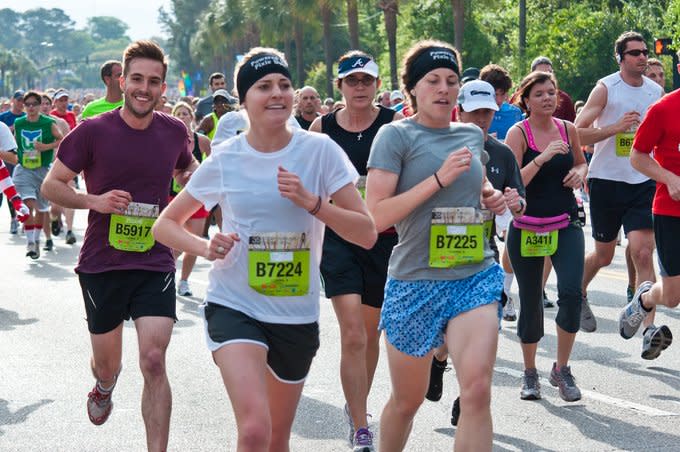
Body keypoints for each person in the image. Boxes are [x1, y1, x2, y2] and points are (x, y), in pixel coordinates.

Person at [152, 47, 376, 452]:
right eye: (263, 86)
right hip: (234, 304)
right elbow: (165, 224)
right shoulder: (226, 158)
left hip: (295, 314)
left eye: (284, 85)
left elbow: (366, 233)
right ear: (243, 100)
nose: (277, 94)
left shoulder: (319, 152)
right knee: (254, 430)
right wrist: (206, 246)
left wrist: (313, 204)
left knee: (275, 439)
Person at [41, 40, 198, 451]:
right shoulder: (93, 131)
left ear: (164, 88)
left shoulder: (174, 130)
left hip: (155, 259)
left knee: (154, 359)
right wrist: (94, 200)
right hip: (102, 262)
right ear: (122, 81)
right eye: (138, 79)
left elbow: (186, 170)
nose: (145, 89)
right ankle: (104, 385)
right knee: (109, 364)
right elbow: (51, 185)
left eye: (154, 82)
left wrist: (198, 185)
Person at [366, 40, 507, 452]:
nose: (444, 89)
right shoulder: (394, 136)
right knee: (407, 402)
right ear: (412, 88)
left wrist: (489, 195)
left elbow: (476, 185)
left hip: (473, 274)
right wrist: (439, 179)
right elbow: (376, 216)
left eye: (451, 80)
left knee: (477, 390)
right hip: (415, 280)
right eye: (433, 80)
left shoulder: (470, 134)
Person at [309, 50, 402, 451]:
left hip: (384, 239)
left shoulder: (394, 125)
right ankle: (361, 423)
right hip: (338, 240)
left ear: (378, 85)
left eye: (367, 81)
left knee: (369, 331)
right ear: (341, 86)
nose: (360, 87)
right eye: (352, 81)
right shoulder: (321, 127)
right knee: (351, 334)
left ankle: (356, 405)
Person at [427, 79, 526, 427]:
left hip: (482, 258)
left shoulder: (500, 153)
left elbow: (518, 200)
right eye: (475, 112)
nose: (482, 119)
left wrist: (515, 203)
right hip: (439, 258)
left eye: (488, 112)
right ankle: (438, 361)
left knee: (484, 334)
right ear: (459, 111)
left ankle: (466, 396)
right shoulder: (435, 148)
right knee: (447, 333)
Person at [505, 71, 588, 402]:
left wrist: (579, 174)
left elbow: (582, 163)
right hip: (527, 226)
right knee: (530, 299)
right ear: (526, 100)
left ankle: (562, 369)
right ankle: (529, 372)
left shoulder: (569, 129)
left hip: (564, 222)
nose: (548, 98)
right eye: (539, 93)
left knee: (570, 293)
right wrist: (543, 157)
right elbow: (512, 183)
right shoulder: (518, 133)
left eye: (552, 92)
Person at [575, 31, 663, 334]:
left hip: (643, 180)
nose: (642, 57)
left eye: (644, 52)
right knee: (604, 254)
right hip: (606, 180)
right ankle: (578, 293)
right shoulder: (606, 88)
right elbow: (577, 133)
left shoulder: (655, 91)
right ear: (620, 58)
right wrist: (615, 127)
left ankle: (647, 327)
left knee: (642, 251)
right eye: (635, 53)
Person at [618, 55, 680, 360]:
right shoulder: (664, 109)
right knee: (671, 296)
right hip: (671, 211)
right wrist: (669, 178)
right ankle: (643, 299)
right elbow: (637, 156)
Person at [13, 91, 63, 259]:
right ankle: (30, 243)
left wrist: (45, 147)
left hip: (42, 169)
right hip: (24, 169)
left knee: (41, 209)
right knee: (28, 206)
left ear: (41, 105)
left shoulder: (48, 122)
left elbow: (62, 140)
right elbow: (15, 143)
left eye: (35, 103)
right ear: (24, 106)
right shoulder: (19, 123)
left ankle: (36, 241)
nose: (31, 107)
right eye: (28, 104)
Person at [170, 101, 211, 297]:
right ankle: (165, 273)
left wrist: (198, 174)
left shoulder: (201, 140)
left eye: (186, 113)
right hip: (173, 195)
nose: (183, 116)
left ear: (192, 117)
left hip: (197, 197)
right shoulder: (166, 140)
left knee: (193, 241)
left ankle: (184, 281)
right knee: (172, 240)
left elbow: (213, 165)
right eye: (178, 113)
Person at [0, 89, 25, 233]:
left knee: (15, 190)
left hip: (15, 161)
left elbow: (13, 157)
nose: (21, 103)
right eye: (19, 99)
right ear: (13, 100)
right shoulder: (4, 117)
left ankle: (15, 217)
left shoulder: (26, 118)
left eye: (23, 100)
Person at [480, 64, 523, 141]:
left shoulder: (515, 113)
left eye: (502, 94)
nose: (499, 100)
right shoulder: (473, 114)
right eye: (495, 95)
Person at [530, 56, 576, 122]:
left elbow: (574, 126)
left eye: (549, 72)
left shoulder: (564, 99)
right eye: (541, 73)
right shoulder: (523, 97)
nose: (546, 76)